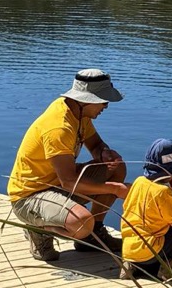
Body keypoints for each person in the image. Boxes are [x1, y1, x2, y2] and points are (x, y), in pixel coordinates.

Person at [8, 69, 127, 263]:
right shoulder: (59, 128)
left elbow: (96, 145)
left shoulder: (78, 113)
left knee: (117, 167)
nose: (106, 106)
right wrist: (115, 189)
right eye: (104, 101)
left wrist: (103, 153)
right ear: (87, 100)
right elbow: (69, 182)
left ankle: (93, 235)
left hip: (57, 184)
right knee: (82, 223)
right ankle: (37, 230)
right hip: (30, 197)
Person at [119, 139, 172, 281]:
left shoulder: (139, 182)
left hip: (129, 251)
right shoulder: (163, 191)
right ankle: (169, 267)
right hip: (151, 253)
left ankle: (132, 265)